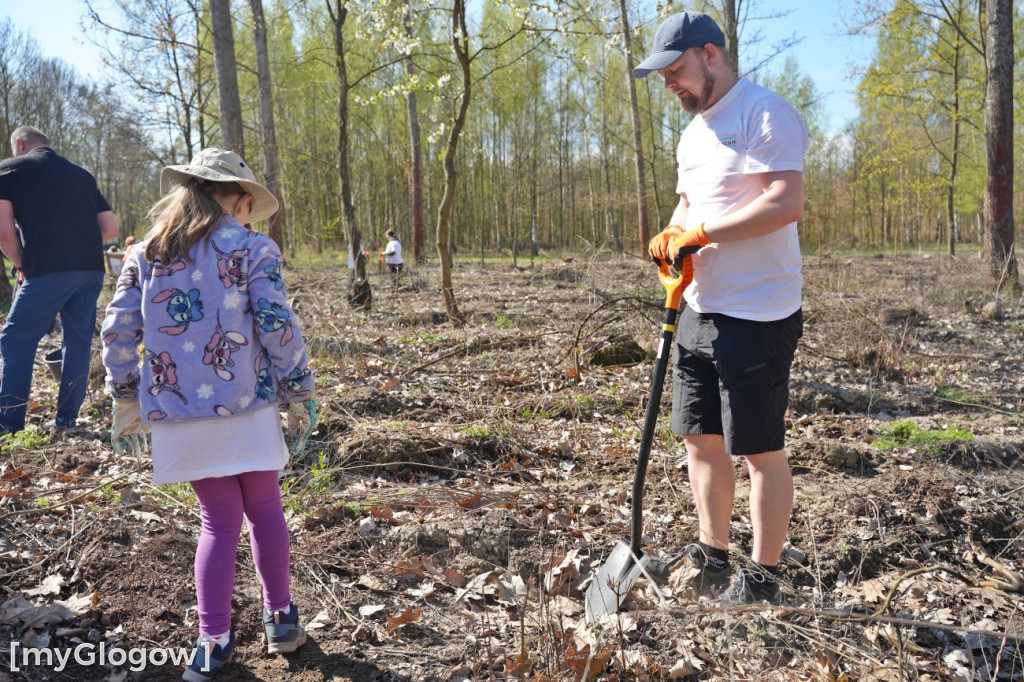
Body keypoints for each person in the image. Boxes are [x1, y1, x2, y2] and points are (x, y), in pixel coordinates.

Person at [100, 148, 319, 681]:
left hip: (179, 412)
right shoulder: (252, 248)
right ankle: (281, 620)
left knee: (217, 523)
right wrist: (298, 389)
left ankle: (213, 641)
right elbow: (276, 325)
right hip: (248, 403)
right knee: (266, 509)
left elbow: (118, 330)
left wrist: (125, 394)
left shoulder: (144, 254)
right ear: (241, 202)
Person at [633, 11, 808, 606]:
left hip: (758, 312)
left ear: (710, 54)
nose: (670, 85)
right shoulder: (692, 133)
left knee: (759, 449)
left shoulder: (765, 112)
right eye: (662, 78)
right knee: (700, 439)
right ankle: (711, 555)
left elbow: (784, 204)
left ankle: (764, 578)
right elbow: (690, 207)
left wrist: (702, 233)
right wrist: (674, 233)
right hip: (697, 308)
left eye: (676, 71)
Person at [0, 125, 120, 433]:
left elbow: (3, 231)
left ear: (20, 143)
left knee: (15, 340)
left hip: (48, 268)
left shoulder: (9, 169)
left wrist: (22, 263)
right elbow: (110, 228)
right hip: (91, 269)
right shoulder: (81, 174)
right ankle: (66, 421)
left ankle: (8, 424)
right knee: (77, 342)